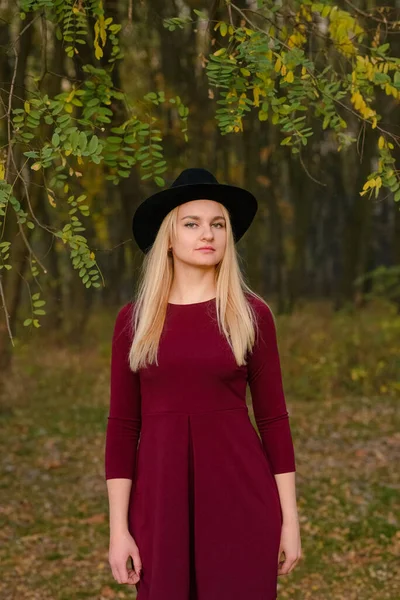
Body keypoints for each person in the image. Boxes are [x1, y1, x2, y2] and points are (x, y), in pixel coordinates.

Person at [104, 168, 302, 600]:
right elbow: (122, 427)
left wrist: (290, 521)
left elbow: (274, 420)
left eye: (218, 224)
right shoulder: (133, 322)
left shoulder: (251, 316)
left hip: (241, 501)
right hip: (160, 503)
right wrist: (119, 530)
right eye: (191, 223)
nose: (206, 234)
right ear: (168, 238)